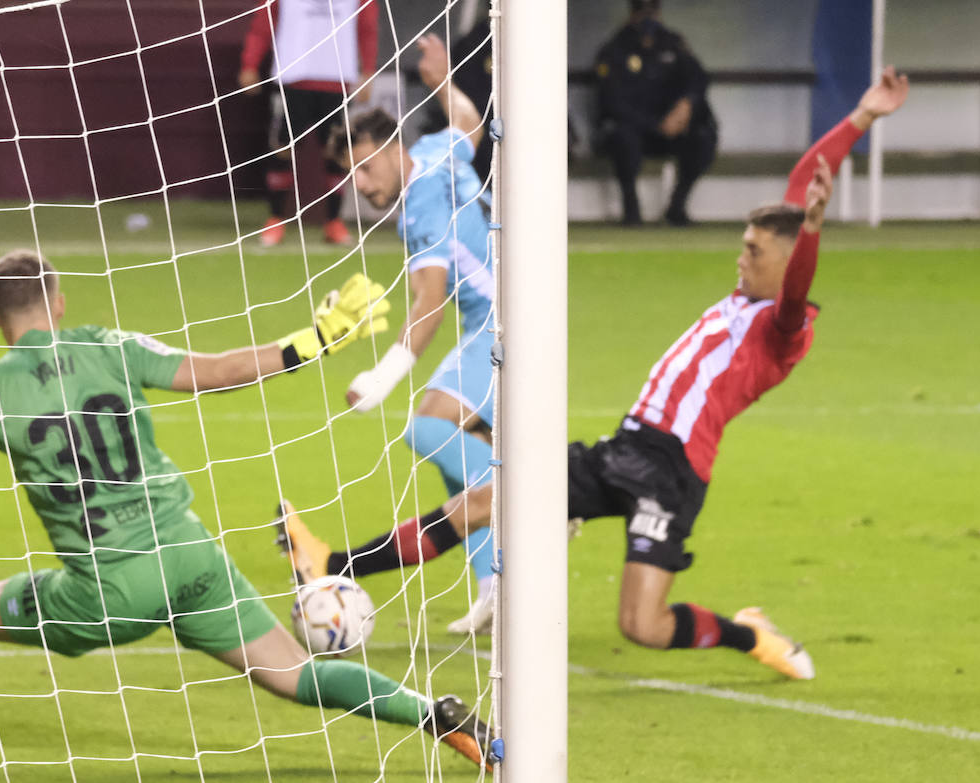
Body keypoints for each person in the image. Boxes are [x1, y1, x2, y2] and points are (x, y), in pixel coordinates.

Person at [286, 68, 911, 679]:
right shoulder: (750, 295)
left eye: (753, 251)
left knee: (642, 626)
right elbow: (803, 185)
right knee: (479, 503)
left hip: (672, 472)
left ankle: (751, 634)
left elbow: (800, 272)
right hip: (627, 444)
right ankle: (336, 563)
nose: (740, 258)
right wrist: (861, 118)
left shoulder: (784, 326)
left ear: (786, 263)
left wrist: (817, 232)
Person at [0, 253, 491, 767]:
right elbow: (217, 372)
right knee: (295, 673)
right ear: (57, 301)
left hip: (109, 589)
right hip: (191, 554)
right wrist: (318, 338)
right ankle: (434, 714)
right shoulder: (110, 345)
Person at [299, 34, 496, 635]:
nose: (358, 184)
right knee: (454, 455)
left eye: (363, 167)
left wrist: (380, 378)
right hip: (498, 320)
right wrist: (441, 82)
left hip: (500, 325)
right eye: (348, 175)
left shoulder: (418, 210)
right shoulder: (436, 150)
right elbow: (470, 123)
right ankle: (495, 589)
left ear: (389, 148)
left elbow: (428, 304)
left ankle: (535, 500)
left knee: (431, 427)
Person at [238, 0, 377, 247]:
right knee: (282, 147)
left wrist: (368, 70)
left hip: (337, 79)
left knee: (337, 152)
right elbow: (263, 24)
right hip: (291, 77)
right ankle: (275, 219)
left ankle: (333, 221)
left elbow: (367, 27)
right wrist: (250, 63)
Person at [593, 0, 717, 226]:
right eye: (642, 10)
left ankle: (676, 208)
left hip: (671, 130)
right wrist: (654, 124)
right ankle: (631, 210)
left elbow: (698, 79)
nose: (648, 16)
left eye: (653, 10)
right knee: (622, 136)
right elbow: (612, 102)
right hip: (636, 129)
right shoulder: (615, 48)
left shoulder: (673, 44)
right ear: (632, 14)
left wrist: (686, 105)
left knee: (703, 136)